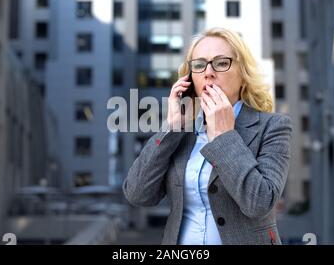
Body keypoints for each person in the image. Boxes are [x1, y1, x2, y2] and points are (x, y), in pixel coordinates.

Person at [122, 27, 292, 245]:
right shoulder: (183, 132)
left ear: (243, 73)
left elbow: (259, 203)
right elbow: (137, 194)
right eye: (199, 65)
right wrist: (171, 128)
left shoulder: (273, 126)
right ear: (190, 77)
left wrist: (224, 136)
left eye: (221, 63)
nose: (208, 72)